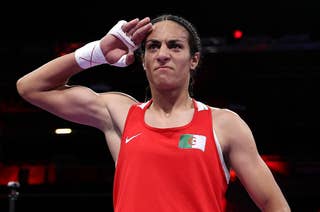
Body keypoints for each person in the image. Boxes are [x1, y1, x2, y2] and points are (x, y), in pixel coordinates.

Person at [16, 14, 291, 211]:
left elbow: (273, 205)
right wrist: (97, 53)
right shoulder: (121, 114)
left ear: (193, 59)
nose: (162, 54)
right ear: (144, 61)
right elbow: (31, 88)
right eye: (152, 46)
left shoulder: (224, 124)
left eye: (175, 46)